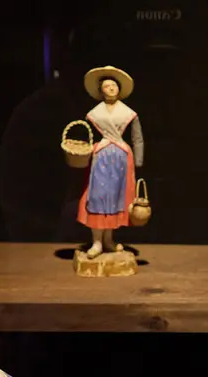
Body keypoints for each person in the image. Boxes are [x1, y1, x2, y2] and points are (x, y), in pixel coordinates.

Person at [76, 66, 145, 258]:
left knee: (116, 198)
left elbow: (137, 137)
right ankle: (97, 241)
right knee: (97, 198)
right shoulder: (95, 114)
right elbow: (85, 136)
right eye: (107, 86)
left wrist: (138, 159)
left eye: (114, 85)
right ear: (101, 90)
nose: (111, 88)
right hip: (101, 157)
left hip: (121, 158)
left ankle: (109, 240)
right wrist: (85, 151)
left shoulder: (128, 113)